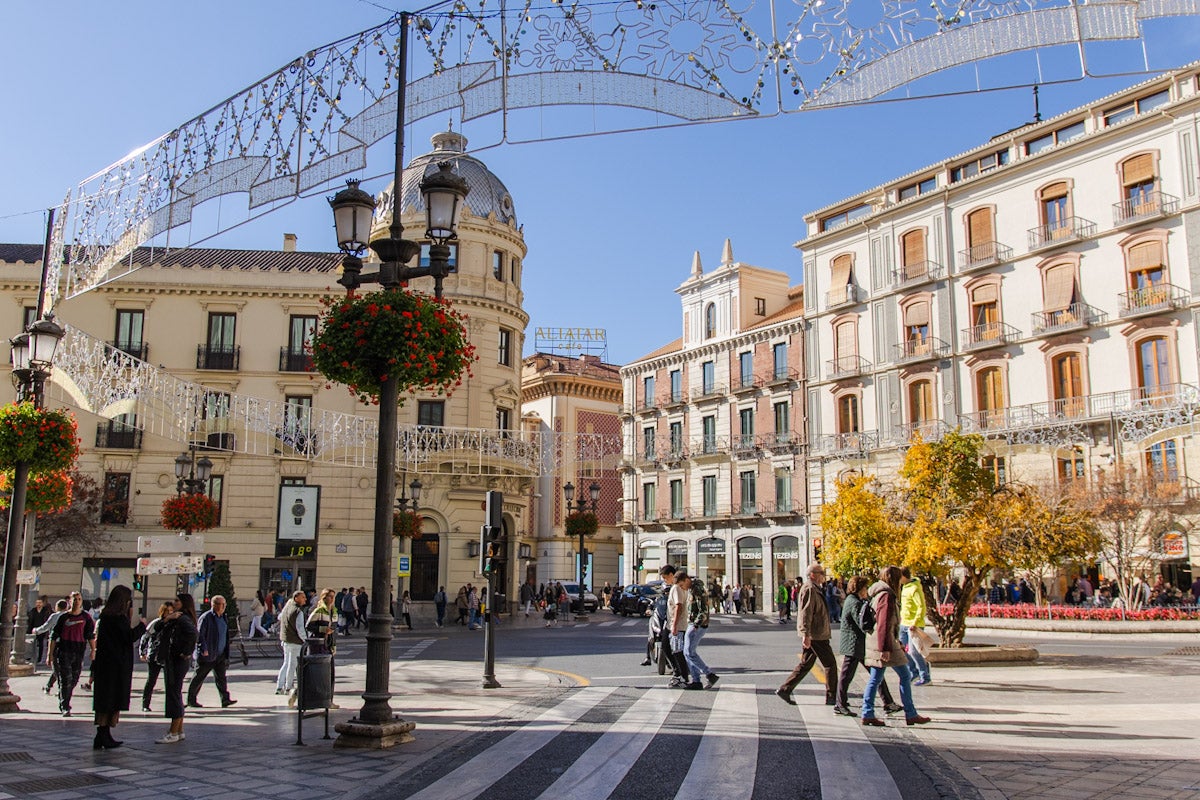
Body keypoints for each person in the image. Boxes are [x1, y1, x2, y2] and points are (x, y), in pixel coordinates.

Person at [861, 566, 929, 727]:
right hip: (884, 643)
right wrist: (885, 647)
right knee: (901, 676)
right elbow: (884, 623)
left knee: (878, 677)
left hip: (881, 641)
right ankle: (909, 714)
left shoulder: (879, 593)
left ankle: (868, 712)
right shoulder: (887, 596)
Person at [834, 576, 900, 717]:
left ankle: (888, 702)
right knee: (848, 676)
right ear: (859, 588)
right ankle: (840, 704)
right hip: (854, 645)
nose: (866, 591)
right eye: (865, 588)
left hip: (858, 645)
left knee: (876, 673)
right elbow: (862, 623)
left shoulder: (854, 601)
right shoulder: (854, 603)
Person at [91, 585, 147, 749]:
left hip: (106, 664)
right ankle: (103, 734)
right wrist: (141, 626)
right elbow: (129, 637)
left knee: (106, 699)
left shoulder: (106, 617)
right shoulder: (117, 618)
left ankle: (103, 733)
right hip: (116, 666)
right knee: (112, 699)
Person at [777, 563, 838, 707]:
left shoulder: (816, 588)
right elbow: (805, 612)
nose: (823, 576)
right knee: (830, 665)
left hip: (817, 633)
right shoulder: (810, 589)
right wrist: (805, 634)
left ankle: (785, 689)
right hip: (816, 634)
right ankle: (832, 696)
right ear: (813, 575)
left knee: (806, 663)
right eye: (821, 573)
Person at [156, 593, 198, 744]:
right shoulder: (176, 617)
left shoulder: (182, 618)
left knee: (173, 693)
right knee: (176, 693)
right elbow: (157, 627)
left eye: (177, 600)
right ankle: (178, 730)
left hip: (176, 660)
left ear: (184, 603)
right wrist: (167, 618)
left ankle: (174, 731)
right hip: (175, 659)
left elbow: (193, 634)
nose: (174, 603)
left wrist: (185, 652)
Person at [48, 591, 95, 717]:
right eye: (74, 599)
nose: (77, 601)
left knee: (74, 680)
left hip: (78, 652)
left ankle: (64, 696)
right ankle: (65, 706)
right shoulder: (63, 618)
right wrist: (50, 655)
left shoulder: (86, 618)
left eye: (79, 599)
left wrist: (93, 650)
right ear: (70, 601)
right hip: (64, 652)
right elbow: (53, 636)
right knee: (65, 680)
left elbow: (90, 635)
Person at [187, 595, 236, 709]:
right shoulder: (206, 617)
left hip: (220, 654)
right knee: (199, 677)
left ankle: (225, 699)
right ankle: (191, 699)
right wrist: (203, 649)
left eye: (224, 604)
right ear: (214, 605)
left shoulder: (224, 617)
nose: (223, 607)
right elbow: (200, 635)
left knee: (221, 678)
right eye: (221, 604)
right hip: (208, 654)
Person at [681, 573, 718, 690]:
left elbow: (703, 609)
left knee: (688, 652)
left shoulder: (697, 590)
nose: (682, 588)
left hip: (697, 624)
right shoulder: (693, 588)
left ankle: (707, 675)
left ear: (687, 580)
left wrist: (696, 624)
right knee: (688, 652)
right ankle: (698, 679)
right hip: (694, 623)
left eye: (682, 585)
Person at [139, 602, 175, 712]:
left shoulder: (174, 624)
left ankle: (172, 704)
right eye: (167, 611)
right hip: (154, 655)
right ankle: (145, 704)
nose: (169, 613)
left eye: (171, 611)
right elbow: (145, 637)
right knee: (151, 680)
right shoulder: (156, 623)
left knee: (170, 682)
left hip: (167, 656)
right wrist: (142, 652)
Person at [899, 567, 932, 686]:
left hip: (913, 625)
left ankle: (925, 676)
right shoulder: (904, 588)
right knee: (902, 650)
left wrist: (915, 622)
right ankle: (913, 672)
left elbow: (921, 607)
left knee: (914, 651)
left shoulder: (914, 588)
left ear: (903, 576)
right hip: (904, 623)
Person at [276, 590, 307, 702]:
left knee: (286, 663)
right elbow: (300, 629)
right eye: (303, 597)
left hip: (286, 640)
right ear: (296, 598)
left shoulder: (287, 608)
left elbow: (280, 618)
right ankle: (288, 687)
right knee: (292, 664)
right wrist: (305, 640)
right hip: (295, 642)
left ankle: (279, 686)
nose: (305, 599)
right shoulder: (298, 611)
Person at [663, 565, 691, 688]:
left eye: (665, 577)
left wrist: (674, 625)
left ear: (671, 575)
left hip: (676, 625)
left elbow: (679, 606)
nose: (664, 580)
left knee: (676, 650)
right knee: (672, 649)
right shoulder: (681, 587)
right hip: (676, 624)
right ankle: (680, 673)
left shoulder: (676, 588)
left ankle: (681, 675)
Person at [37, 599, 69, 694]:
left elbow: (45, 627)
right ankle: (48, 686)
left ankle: (61, 689)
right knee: (59, 667)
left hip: (56, 644)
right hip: (67, 644)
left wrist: (36, 630)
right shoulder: (69, 616)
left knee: (56, 668)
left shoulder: (55, 616)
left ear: (57, 607)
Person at [27, 597, 50, 666]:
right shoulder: (33, 611)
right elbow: (30, 620)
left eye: (40, 603)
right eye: (37, 603)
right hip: (33, 629)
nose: (38, 604)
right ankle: (31, 657)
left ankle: (40, 658)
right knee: (32, 644)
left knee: (41, 645)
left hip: (42, 631)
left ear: (42, 604)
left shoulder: (45, 611)